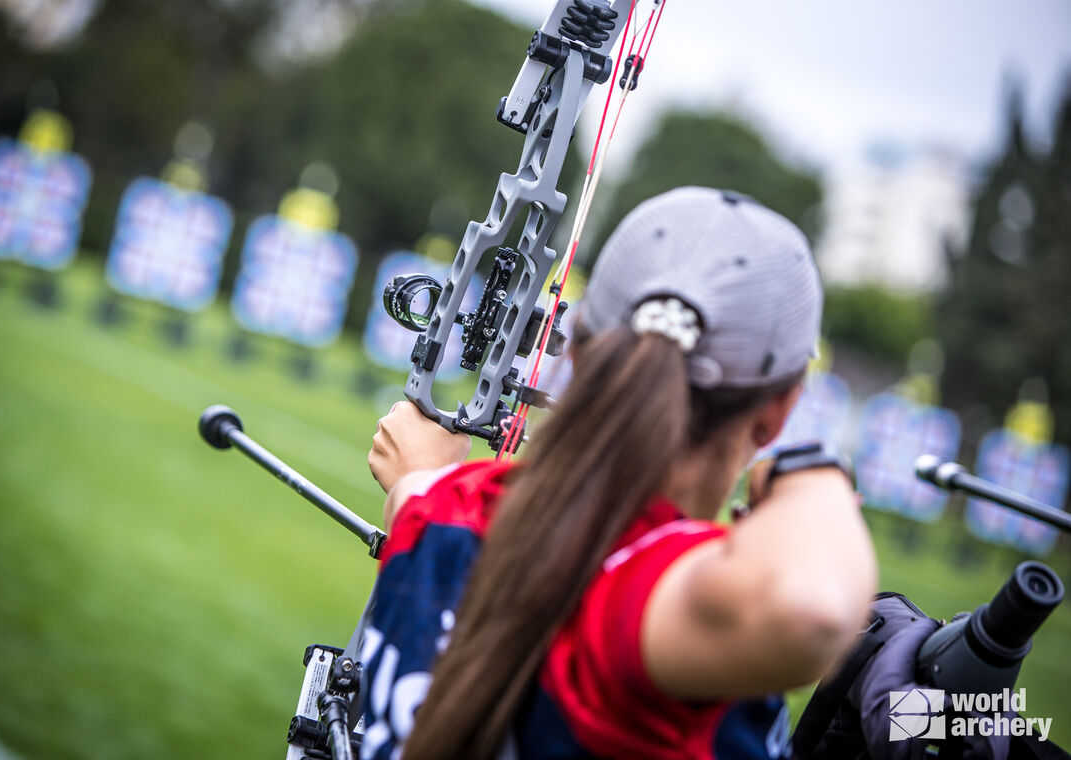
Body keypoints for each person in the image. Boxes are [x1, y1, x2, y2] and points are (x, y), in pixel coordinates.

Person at [362, 187, 878, 760]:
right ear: (777, 413)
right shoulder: (648, 590)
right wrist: (812, 472)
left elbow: (420, 490)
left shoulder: (440, 513)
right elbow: (813, 610)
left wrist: (424, 478)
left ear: (575, 357)